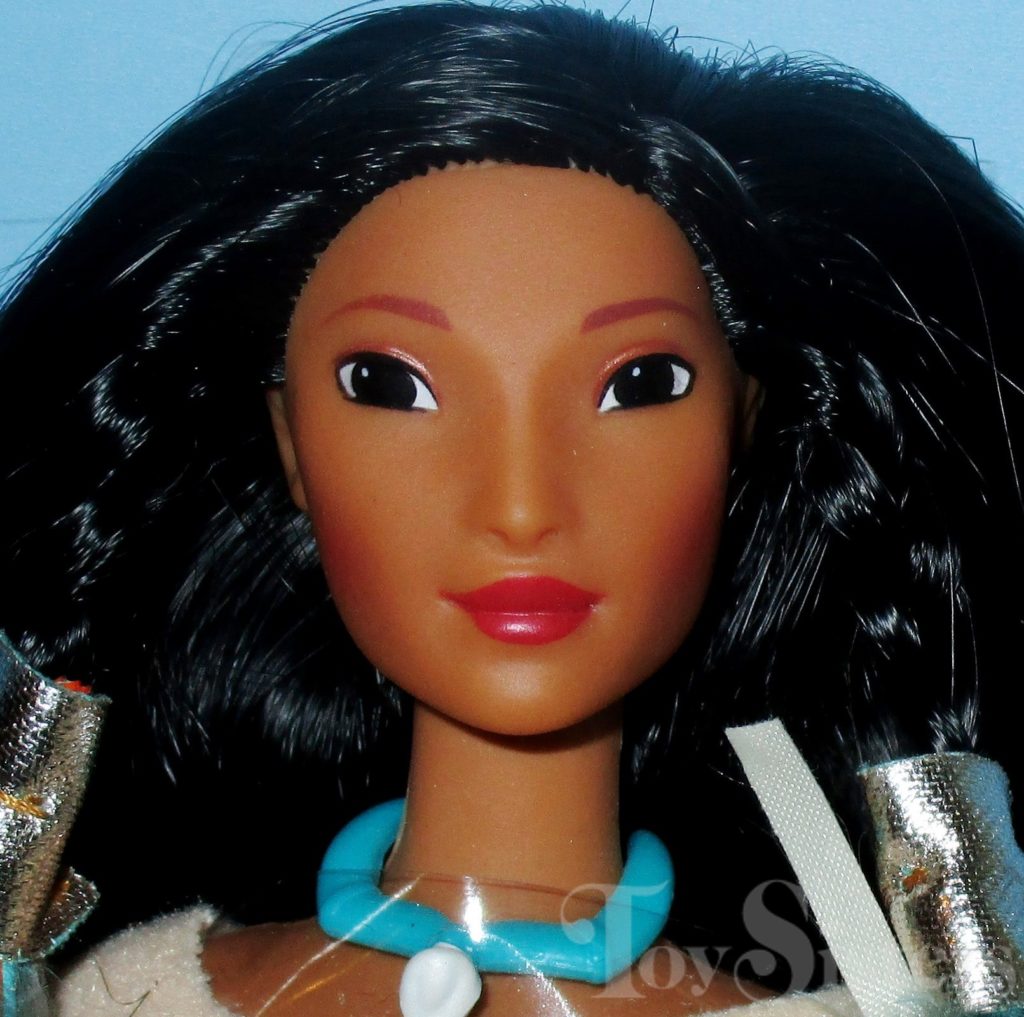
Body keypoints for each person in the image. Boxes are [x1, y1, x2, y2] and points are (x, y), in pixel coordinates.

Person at [1, 3, 1023, 1012]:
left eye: (641, 385)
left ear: (741, 429)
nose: (522, 505)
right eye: (389, 385)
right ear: (291, 442)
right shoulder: (115, 997)